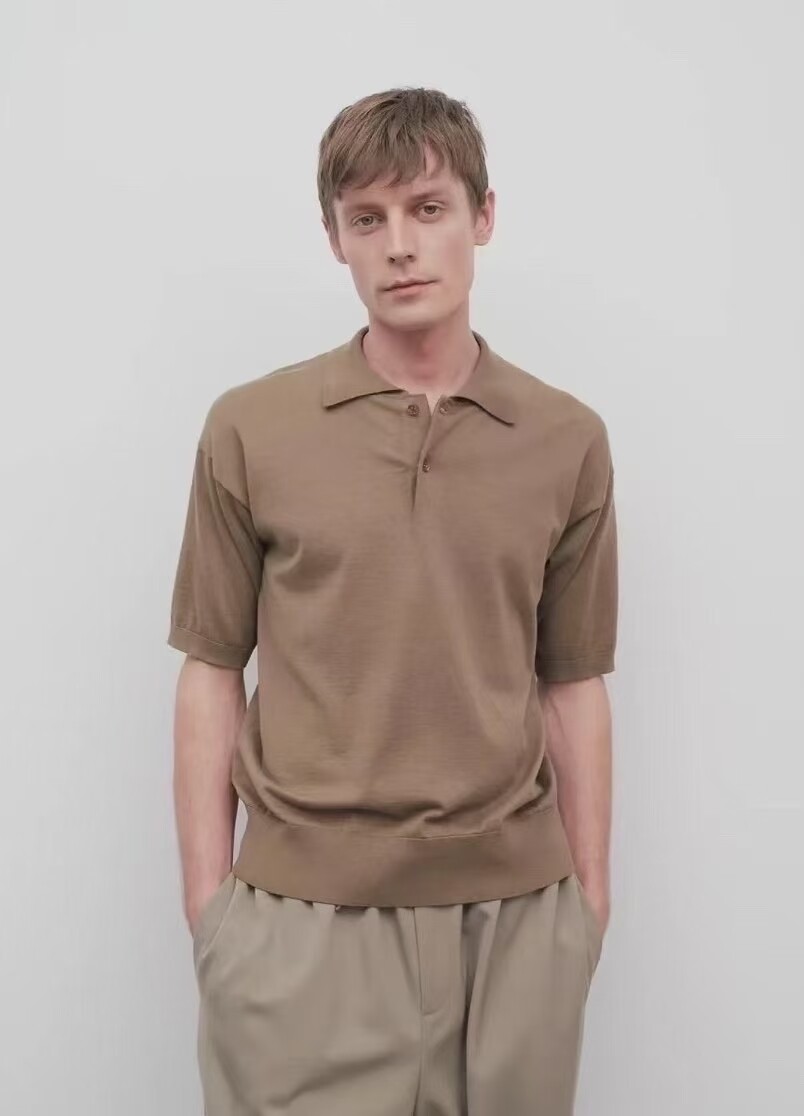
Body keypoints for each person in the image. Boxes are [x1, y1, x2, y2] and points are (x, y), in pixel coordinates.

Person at [168, 85, 619, 1116]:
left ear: (483, 217)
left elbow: (573, 683)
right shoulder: (252, 428)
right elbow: (210, 669)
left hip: (517, 929)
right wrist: (211, 912)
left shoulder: (565, 439)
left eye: (428, 209)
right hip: (298, 927)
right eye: (366, 219)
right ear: (334, 239)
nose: (400, 246)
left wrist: (587, 908)